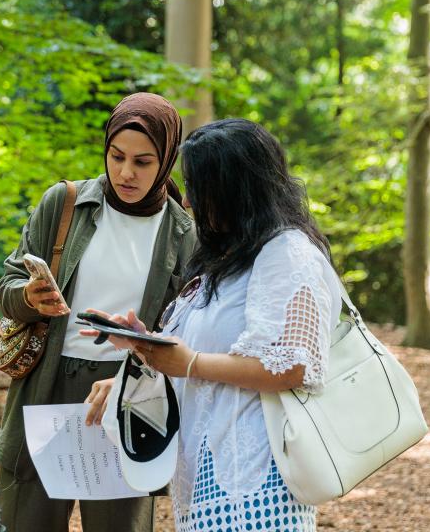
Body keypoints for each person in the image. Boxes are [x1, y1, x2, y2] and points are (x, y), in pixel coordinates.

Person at [84, 118, 342, 532]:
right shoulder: (227, 259)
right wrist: (144, 347)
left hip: (254, 484)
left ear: (235, 191)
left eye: (199, 189)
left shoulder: (287, 255)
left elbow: (294, 366)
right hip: (208, 476)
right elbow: (200, 359)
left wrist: (189, 363)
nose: (187, 202)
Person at [0, 93, 197, 532]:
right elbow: (5, 287)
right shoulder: (64, 204)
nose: (126, 172)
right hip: (47, 386)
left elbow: (186, 331)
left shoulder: (183, 235)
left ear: (166, 162)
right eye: (116, 156)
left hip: (126, 397)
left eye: (143, 162)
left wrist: (138, 369)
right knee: (23, 522)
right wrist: (30, 298)